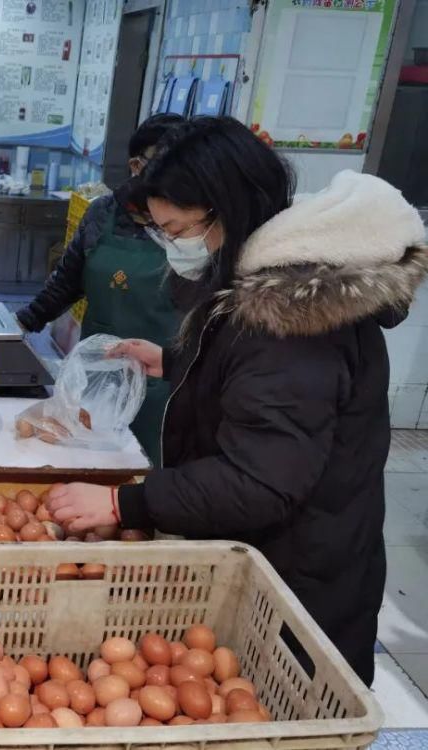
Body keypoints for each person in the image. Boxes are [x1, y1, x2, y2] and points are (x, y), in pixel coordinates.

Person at [46, 116, 428, 686]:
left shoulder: (292, 320)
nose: (172, 247)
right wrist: (176, 363)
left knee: (278, 704)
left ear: (224, 209)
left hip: (297, 581)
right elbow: (261, 389)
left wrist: (126, 505)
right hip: (282, 559)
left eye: (176, 231)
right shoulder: (274, 283)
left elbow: (260, 481)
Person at [16, 113, 186, 466]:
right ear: (136, 165)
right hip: (99, 379)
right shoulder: (103, 216)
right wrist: (22, 324)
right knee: (91, 470)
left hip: (167, 383)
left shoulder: (191, 228)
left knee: (153, 475)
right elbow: (67, 282)